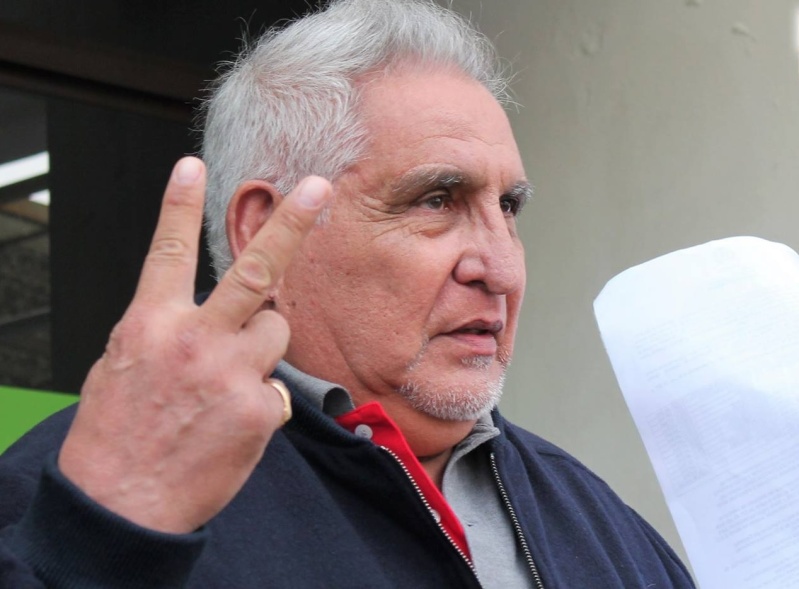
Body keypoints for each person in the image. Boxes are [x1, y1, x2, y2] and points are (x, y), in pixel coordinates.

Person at [0, 1, 696, 587]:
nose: (500, 269)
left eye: (508, 207)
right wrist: (99, 540)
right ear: (266, 231)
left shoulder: (603, 525)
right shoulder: (77, 498)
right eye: (436, 199)